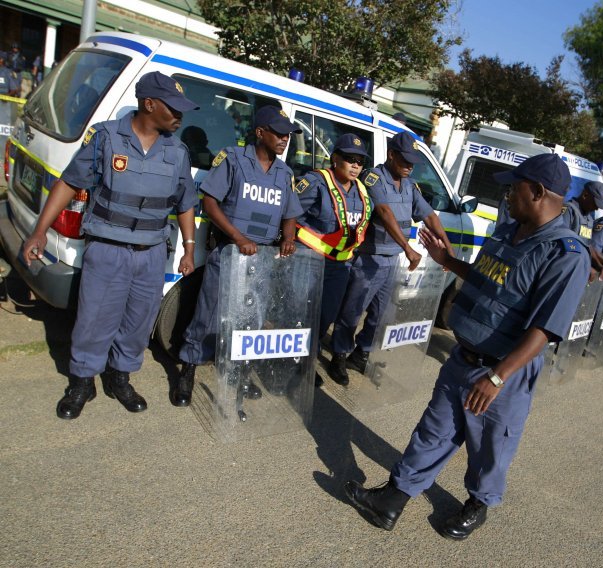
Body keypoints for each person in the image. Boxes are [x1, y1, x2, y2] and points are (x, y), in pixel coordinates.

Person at [343, 153, 590, 539]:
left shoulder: (565, 255)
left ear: (538, 191)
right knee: (433, 431)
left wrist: (496, 377)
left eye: (515, 187)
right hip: (463, 358)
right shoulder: (509, 233)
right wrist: (448, 261)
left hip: (503, 372)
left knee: (490, 446)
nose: (507, 194)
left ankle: (478, 504)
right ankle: (393, 498)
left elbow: (545, 329)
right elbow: (487, 280)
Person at [22, 71, 200, 420]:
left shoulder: (177, 152)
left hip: (150, 254)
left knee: (138, 322)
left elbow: (185, 203)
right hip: (108, 248)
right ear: (149, 104)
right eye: (173, 107)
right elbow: (68, 184)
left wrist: (189, 248)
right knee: (94, 319)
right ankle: (82, 381)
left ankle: (120, 376)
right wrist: (39, 230)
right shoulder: (106, 138)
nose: (180, 116)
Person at [173, 105, 303, 406]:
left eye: (288, 135)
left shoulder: (285, 173)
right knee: (208, 313)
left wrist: (287, 237)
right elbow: (210, 202)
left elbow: (290, 213)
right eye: (279, 134)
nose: (285, 140)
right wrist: (238, 237)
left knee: (251, 318)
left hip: (264, 258)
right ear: (260, 133)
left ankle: (238, 373)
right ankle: (188, 369)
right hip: (232, 251)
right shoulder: (233, 159)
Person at [327, 131, 452, 386]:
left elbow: (429, 216)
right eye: (404, 160)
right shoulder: (373, 177)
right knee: (353, 310)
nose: (409, 166)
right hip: (368, 258)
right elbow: (383, 211)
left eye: (412, 162)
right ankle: (338, 355)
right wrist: (408, 247)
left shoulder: (409, 185)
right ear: (391, 154)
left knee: (382, 314)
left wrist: (448, 250)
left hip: (392, 260)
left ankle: (361, 353)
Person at [293, 134, 372, 385]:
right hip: (309, 260)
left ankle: (305, 359)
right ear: (335, 158)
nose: (356, 165)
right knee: (302, 314)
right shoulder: (316, 182)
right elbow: (290, 212)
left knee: (324, 317)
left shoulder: (360, 190)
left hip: (339, 265)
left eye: (360, 161)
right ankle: (297, 364)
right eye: (350, 159)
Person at [561, 180, 603, 280]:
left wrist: (599, 266)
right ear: (585, 195)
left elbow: (588, 246)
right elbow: (561, 241)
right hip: (563, 269)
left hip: (576, 271)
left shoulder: (589, 219)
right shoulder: (569, 211)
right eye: (595, 204)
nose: (596, 209)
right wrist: (587, 267)